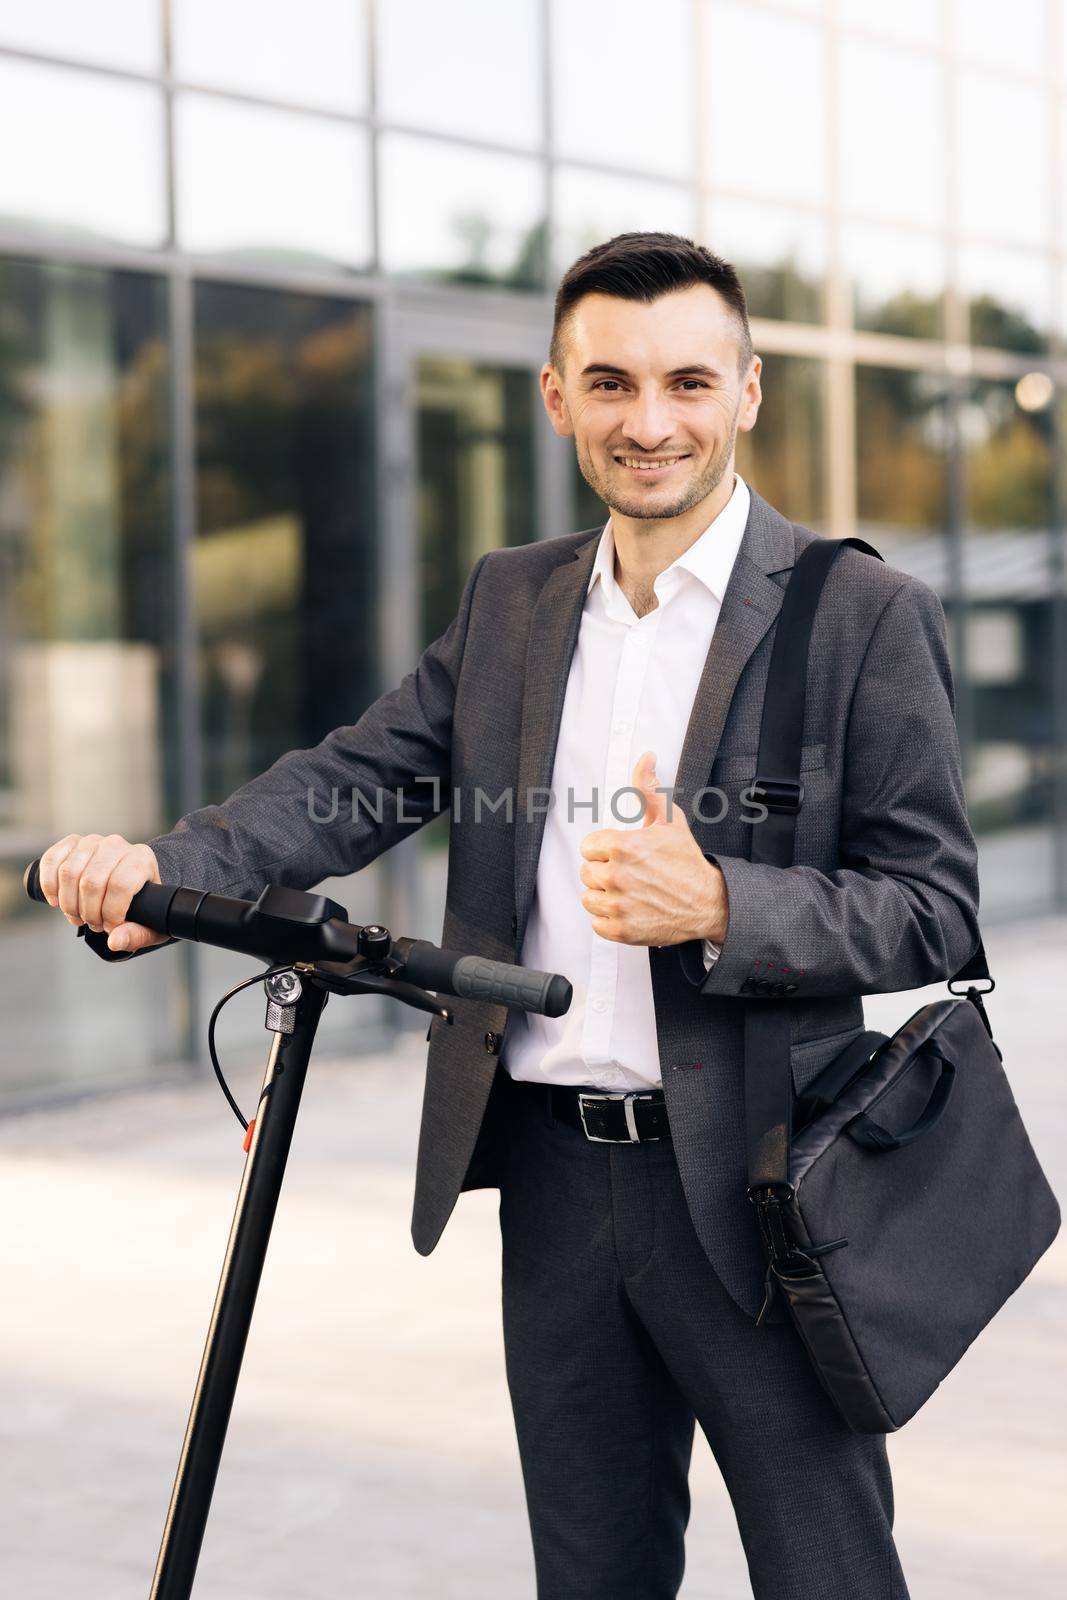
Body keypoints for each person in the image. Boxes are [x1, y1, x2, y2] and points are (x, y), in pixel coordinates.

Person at [38, 231, 980, 1599]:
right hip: (548, 1184)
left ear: (749, 391)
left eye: (687, 384)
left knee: (827, 1572)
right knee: (589, 1576)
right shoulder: (513, 601)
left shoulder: (860, 616)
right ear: (555, 398)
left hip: (768, 1191)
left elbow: (937, 909)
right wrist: (170, 879)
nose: (649, 422)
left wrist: (725, 903)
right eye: (610, 383)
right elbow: (359, 778)